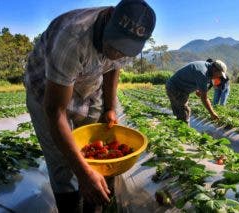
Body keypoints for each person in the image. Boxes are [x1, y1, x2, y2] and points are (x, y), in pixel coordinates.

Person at [24, 0, 156, 212]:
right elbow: (55, 111)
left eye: (125, 50)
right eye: (114, 45)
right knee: (63, 163)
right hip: (47, 91)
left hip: (89, 86)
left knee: (98, 155)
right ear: (109, 17)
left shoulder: (124, 47)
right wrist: (84, 174)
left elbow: (113, 68)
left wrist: (110, 108)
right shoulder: (72, 36)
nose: (117, 53)